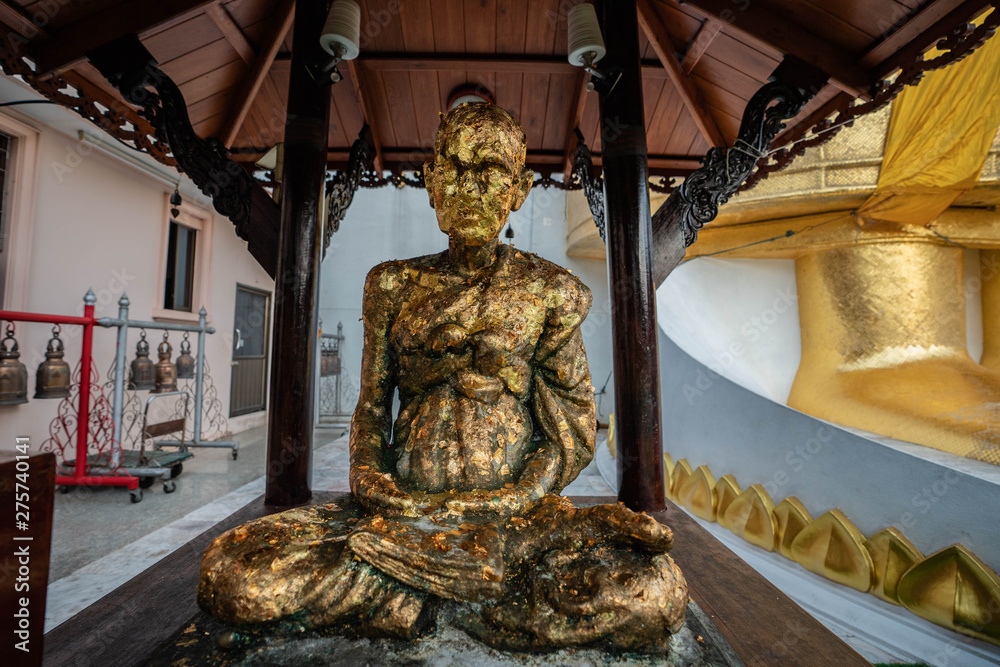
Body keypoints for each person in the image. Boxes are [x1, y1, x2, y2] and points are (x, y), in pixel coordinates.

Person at [198, 103, 687, 652]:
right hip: (404, 517)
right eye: (453, 168)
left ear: (519, 189)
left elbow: (570, 430)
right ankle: (472, 597)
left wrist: (514, 501)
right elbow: (371, 409)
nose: (470, 186)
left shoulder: (549, 292)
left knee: (653, 592)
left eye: (490, 171)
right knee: (237, 573)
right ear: (432, 183)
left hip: (515, 525)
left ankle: (437, 591)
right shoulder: (392, 287)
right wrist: (373, 482)